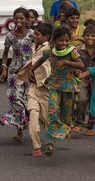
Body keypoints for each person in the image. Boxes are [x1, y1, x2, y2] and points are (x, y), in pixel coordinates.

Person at [32, 26, 84, 155]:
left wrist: (67, 62)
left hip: (68, 87)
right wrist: (30, 69)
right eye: (61, 40)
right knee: (53, 111)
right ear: (54, 40)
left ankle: (63, 130)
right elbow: (40, 60)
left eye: (66, 40)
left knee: (66, 116)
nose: (63, 43)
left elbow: (81, 65)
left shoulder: (72, 51)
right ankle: (50, 143)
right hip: (54, 85)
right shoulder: (50, 51)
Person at [17, 23, 52, 156]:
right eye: (34, 33)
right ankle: (36, 147)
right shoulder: (33, 46)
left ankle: (50, 143)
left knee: (46, 119)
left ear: (46, 37)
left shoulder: (49, 49)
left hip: (45, 89)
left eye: (37, 34)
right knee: (33, 114)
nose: (34, 36)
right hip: (33, 88)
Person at [0, 7, 34, 141]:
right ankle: (20, 128)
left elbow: (39, 51)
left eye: (21, 18)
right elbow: (5, 54)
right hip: (14, 70)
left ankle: (23, 127)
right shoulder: (10, 36)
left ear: (26, 20)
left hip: (30, 69)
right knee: (14, 98)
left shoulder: (33, 34)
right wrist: (4, 68)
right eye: (16, 18)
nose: (18, 20)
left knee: (26, 99)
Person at [75, 25, 95, 136]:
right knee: (81, 99)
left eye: (93, 36)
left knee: (94, 102)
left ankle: (90, 125)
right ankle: (79, 123)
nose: (90, 38)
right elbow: (73, 61)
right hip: (83, 78)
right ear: (83, 37)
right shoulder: (78, 49)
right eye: (87, 35)